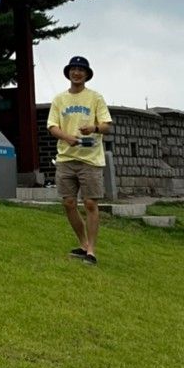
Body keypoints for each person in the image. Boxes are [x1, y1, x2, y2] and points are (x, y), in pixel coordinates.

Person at [47, 55, 112, 265]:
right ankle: (83, 244)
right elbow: (52, 126)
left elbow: (106, 126)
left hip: (90, 159)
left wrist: (93, 128)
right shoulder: (59, 99)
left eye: (81, 69)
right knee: (68, 202)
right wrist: (67, 138)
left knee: (91, 203)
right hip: (66, 157)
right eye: (73, 69)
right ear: (68, 73)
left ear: (87, 74)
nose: (77, 72)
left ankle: (92, 250)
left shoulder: (95, 98)